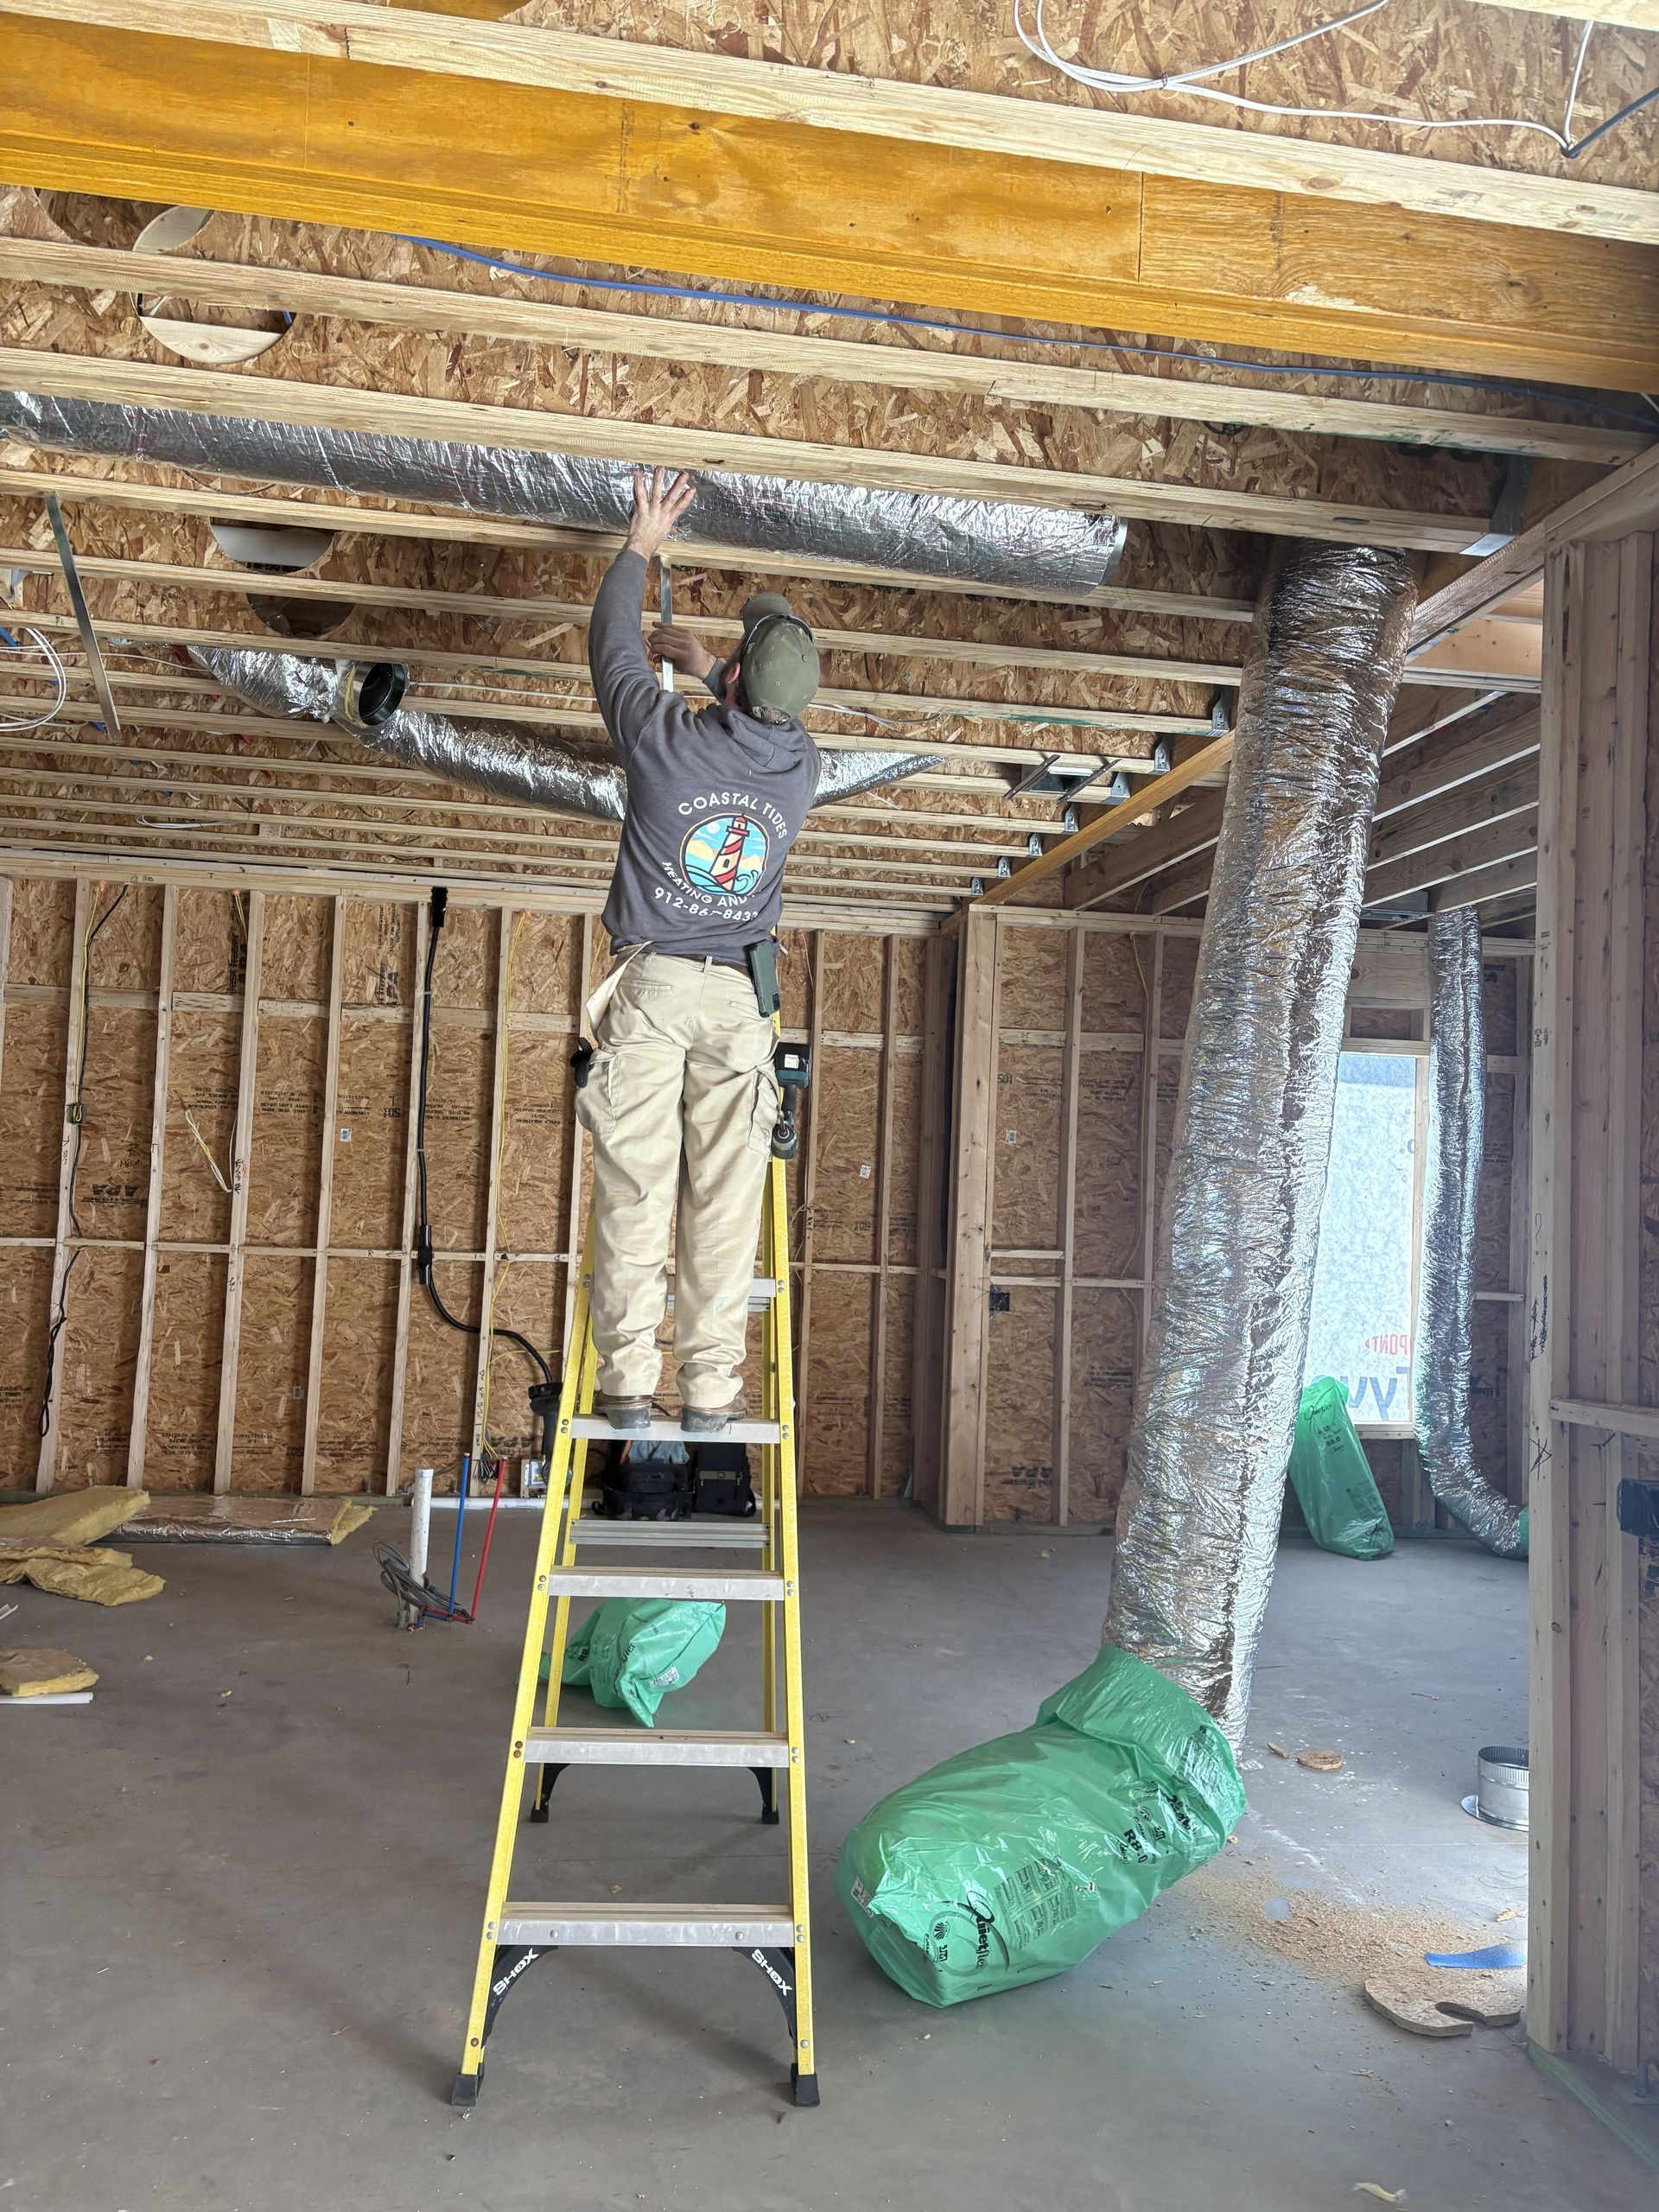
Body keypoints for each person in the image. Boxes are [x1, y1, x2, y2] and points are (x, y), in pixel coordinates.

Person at [579, 467, 822, 1433]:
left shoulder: (662, 741)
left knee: (639, 1184)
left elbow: (609, 651)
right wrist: (713, 660)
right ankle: (712, 1395)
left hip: (655, 987)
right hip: (738, 1006)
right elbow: (759, 706)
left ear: (725, 685)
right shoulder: (803, 769)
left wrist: (639, 545)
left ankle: (630, 1387)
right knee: (721, 1204)